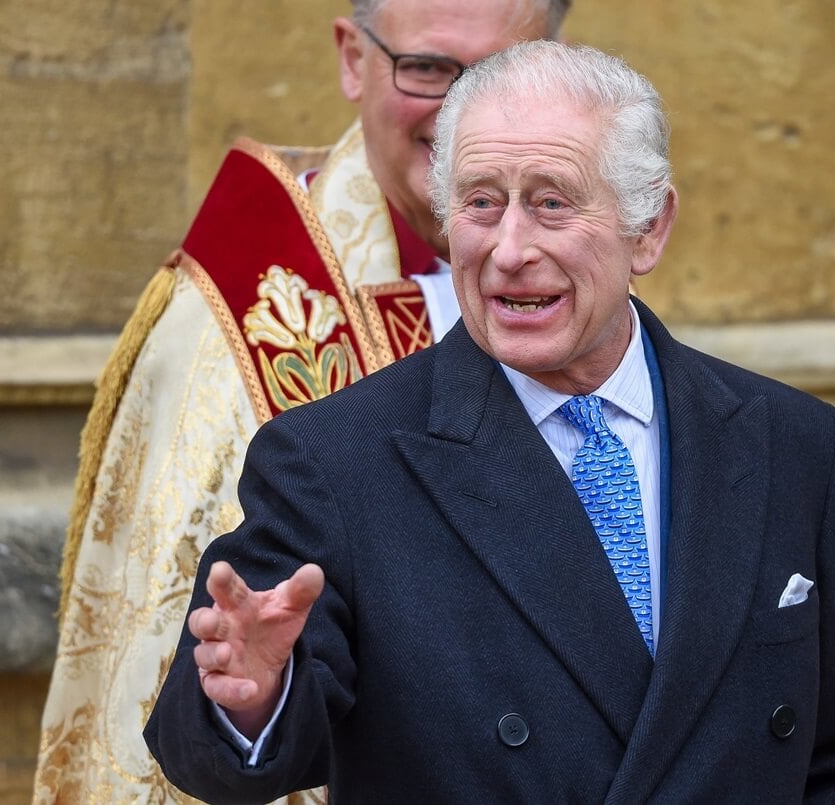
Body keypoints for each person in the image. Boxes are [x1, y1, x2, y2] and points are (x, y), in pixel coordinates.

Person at [145, 40, 835, 803]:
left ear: (649, 230)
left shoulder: (792, 442)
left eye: (551, 202)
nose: (508, 250)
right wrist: (257, 695)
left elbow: (834, 768)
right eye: (480, 202)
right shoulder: (332, 462)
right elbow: (215, 750)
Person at [32, 1, 572, 800]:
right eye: (428, 69)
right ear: (354, 58)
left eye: (500, 72)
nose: (466, 116)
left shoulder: (589, 275)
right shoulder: (230, 330)